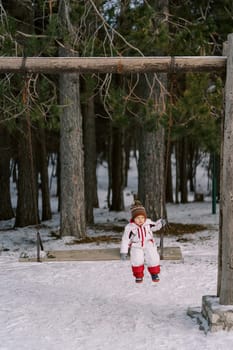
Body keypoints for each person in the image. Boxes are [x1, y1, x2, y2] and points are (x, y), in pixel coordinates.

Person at [120, 200, 166, 283]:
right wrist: (124, 251)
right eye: (138, 218)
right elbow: (125, 239)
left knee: (153, 257)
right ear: (133, 218)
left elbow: (155, 226)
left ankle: (154, 273)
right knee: (137, 259)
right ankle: (138, 275)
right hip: (136, 245)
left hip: (148, 243)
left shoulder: (148, 223)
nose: (140, 220)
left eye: (142, 218)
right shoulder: (130, 227)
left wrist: (160, 223)